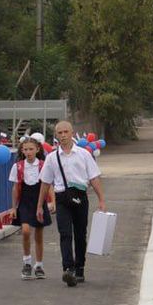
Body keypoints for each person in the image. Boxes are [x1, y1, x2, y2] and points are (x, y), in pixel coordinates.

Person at [38, 120, 107, 287]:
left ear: (71, 133)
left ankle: (80, 267)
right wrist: (40, 205)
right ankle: (68, 268)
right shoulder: (52, 158)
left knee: (80, 234)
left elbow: (94, 178)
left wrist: (102, 200)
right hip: (62, 198)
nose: (63, 136)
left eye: (65, 132)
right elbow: (45, 183)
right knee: (65, 233)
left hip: (80, 197)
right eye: (59, 133)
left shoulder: (83, 154)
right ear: (56, 135)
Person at [9, 136, 53, 279]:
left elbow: (48, 184)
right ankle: (27, 262)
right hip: (25, 202)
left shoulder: (43, 165)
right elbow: (16, 188)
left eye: (31, 149)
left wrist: (52, 201)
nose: (28, 152)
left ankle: (39, 265)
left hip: (39, 202)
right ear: (22, 150)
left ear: (38, 149)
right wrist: (13, 207)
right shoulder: (18, 166)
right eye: (25, 149)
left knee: (39, 235)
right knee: (26, 231)